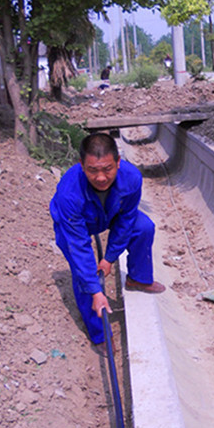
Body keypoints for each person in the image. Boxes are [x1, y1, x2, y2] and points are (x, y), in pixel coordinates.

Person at [50, 132, 165, 346]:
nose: (101, 177)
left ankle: (138, 278)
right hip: (76, 223)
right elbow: (79, 247)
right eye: (93, 170)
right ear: (82, 165)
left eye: (107, 169)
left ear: (118, 162)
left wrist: (109, 258)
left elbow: (126, 219)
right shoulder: (69, 193)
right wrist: (96, 290)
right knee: (82, 273)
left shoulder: (131, 178)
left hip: (109, 212)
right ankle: (100, 334)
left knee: (143, 227)